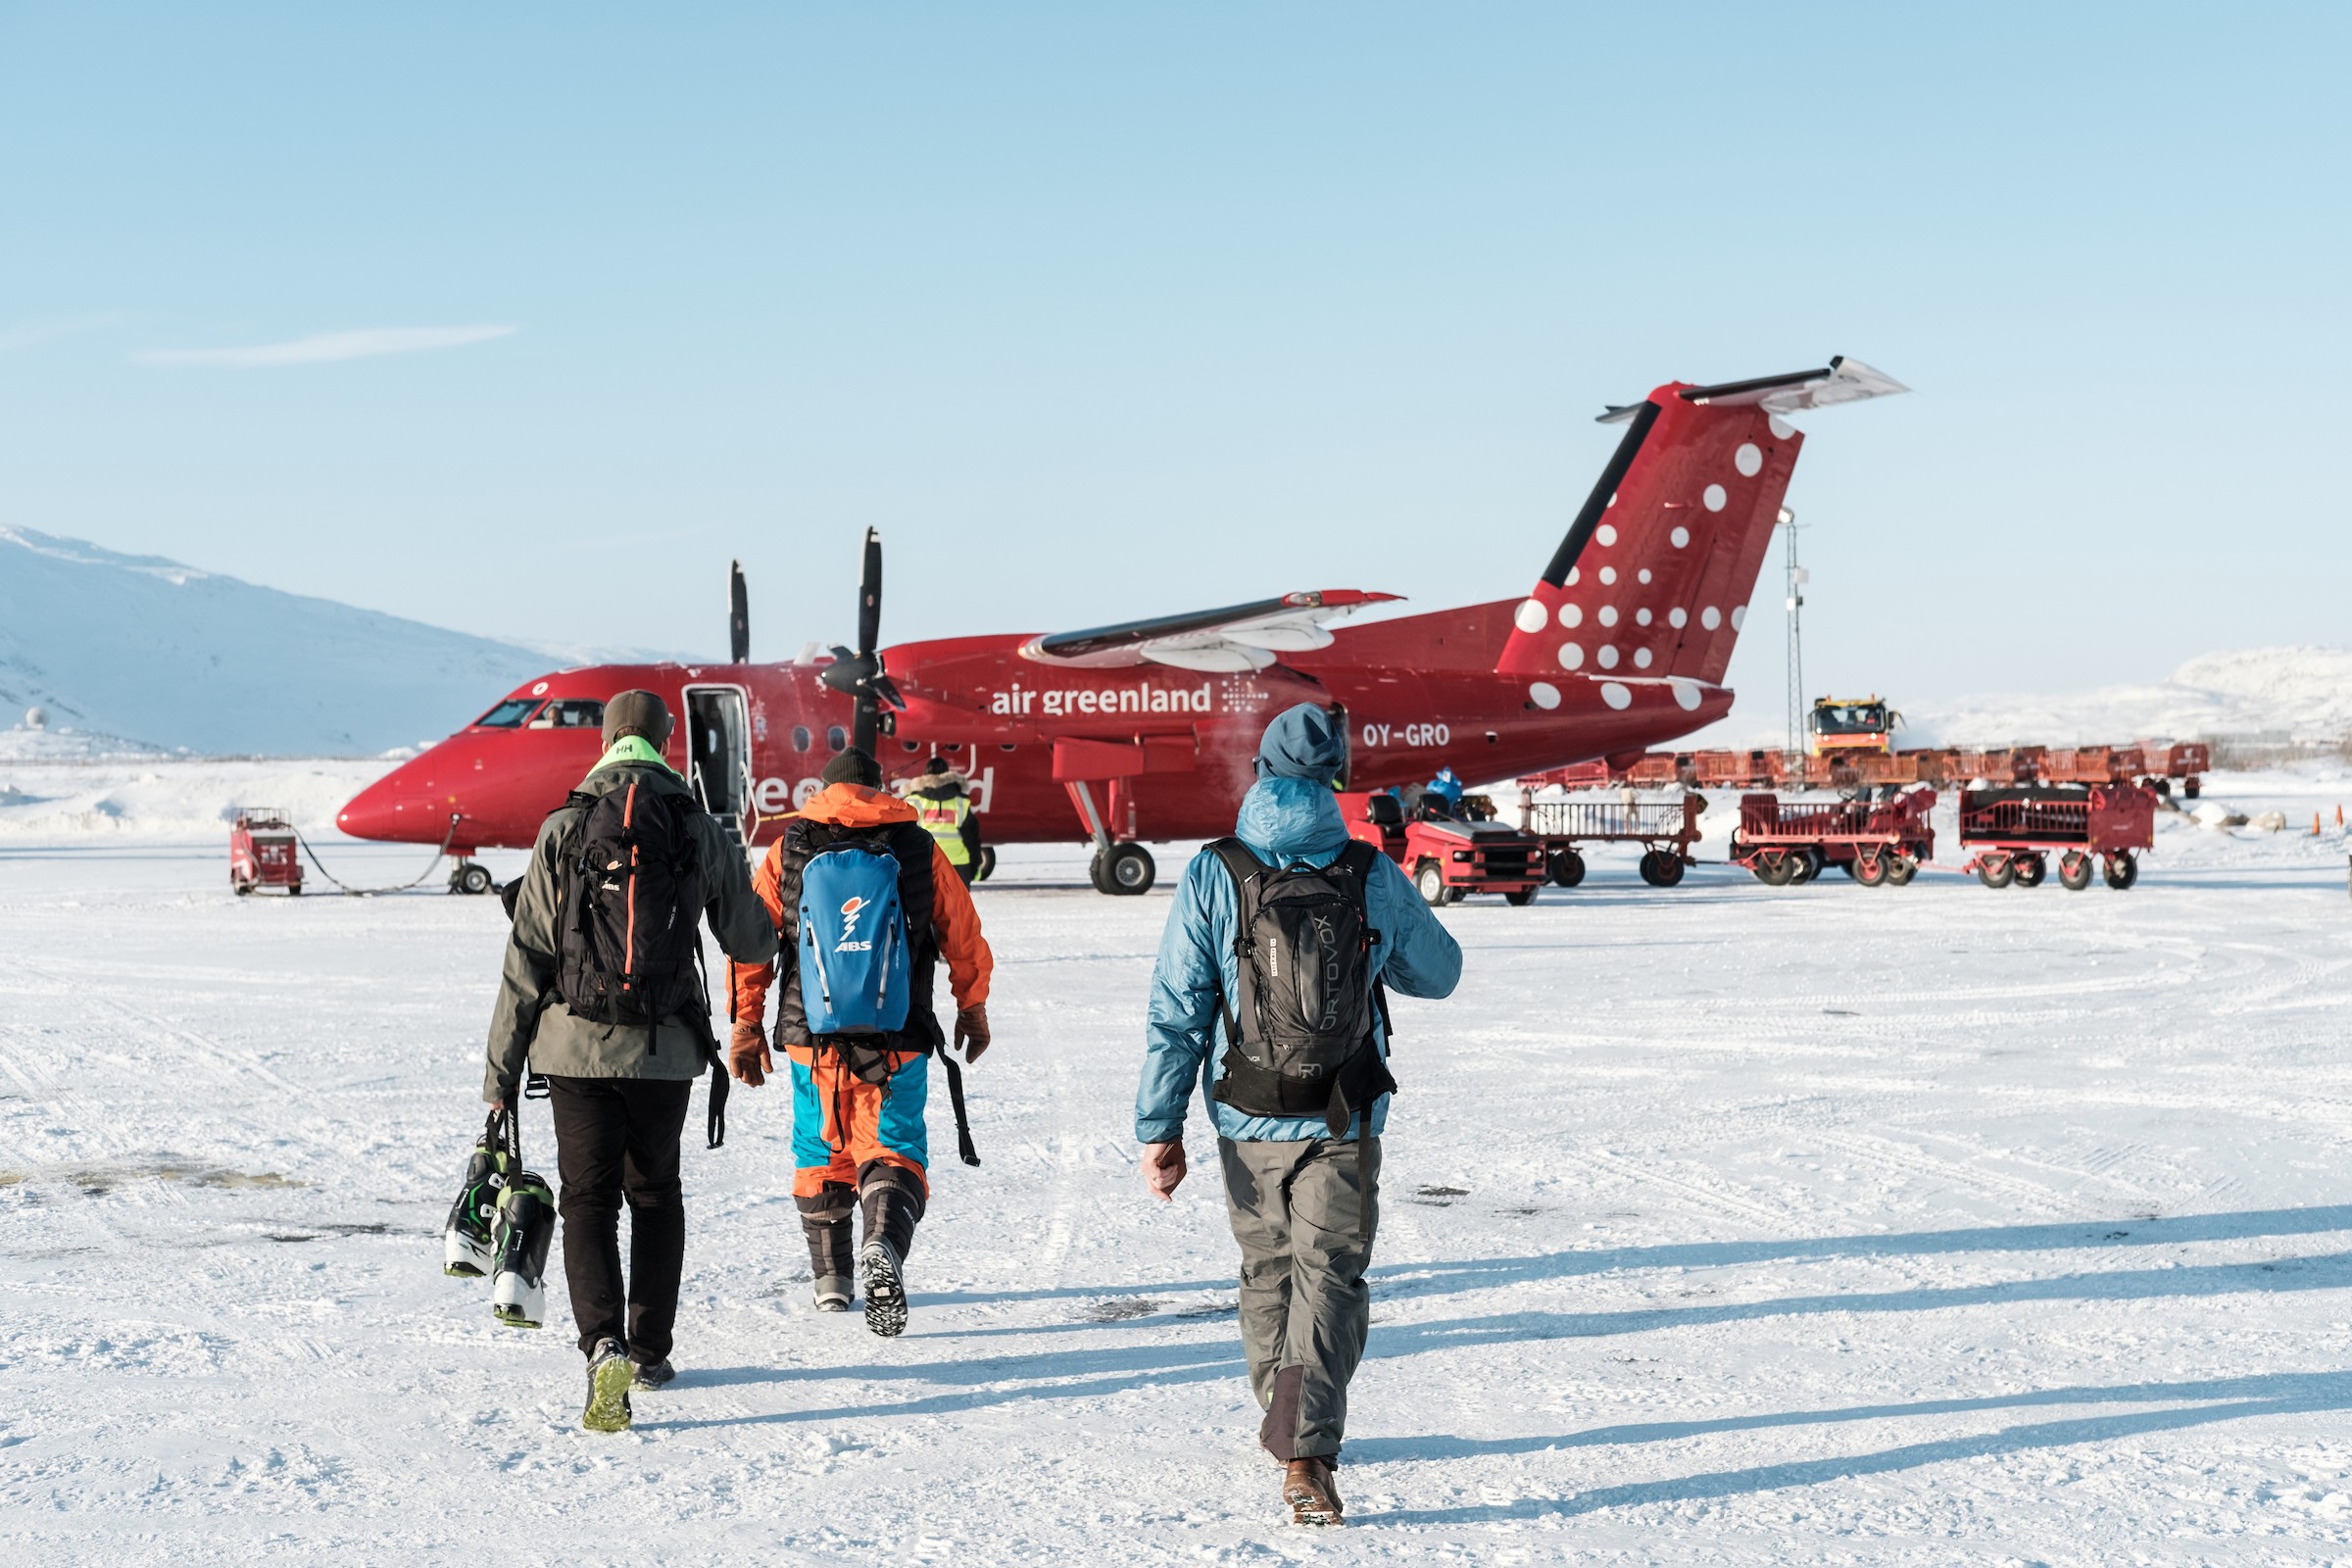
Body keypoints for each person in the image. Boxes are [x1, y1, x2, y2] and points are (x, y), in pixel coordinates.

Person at [1136, 704, 1462, 1527]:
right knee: (1332, 1277)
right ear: (1335, 780)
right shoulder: (1366, 868)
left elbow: (1178, 1009)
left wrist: (1159, 1130)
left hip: (1248, 1116)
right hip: (1346, 1115)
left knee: (1268, 1274)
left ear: (1260, 771)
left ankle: (1294, 1432)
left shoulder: (1217, 869)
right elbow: (1441, 973)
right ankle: (1306, 1443)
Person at [484, 690, 777, 1434]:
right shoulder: (695, 826)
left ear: (609, 742)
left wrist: (499, 1079)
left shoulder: (564, 827)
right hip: (665, 1051)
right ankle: (647, 1350)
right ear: (664, 742)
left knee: (587, 1200)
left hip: (572, 1048)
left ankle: (602, 1343)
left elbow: (526, 962)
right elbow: (751, 942)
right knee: (654, 1198)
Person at [730, 746, 994, 1338]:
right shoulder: (917, 846)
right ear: (881, 789)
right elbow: (963, 932)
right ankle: (883, 1244)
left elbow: (751, 943)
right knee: (892, 1148)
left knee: (821, 1150)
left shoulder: (788, 847)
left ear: (825, 789)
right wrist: (971, 1008)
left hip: (811, 1038)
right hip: (898, 1036)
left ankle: (831, 1283)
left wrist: (747, 1024)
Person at [909, 756, 984, 885]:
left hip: (925, 862)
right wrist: (975, 864)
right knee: (958, 905)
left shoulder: (913, 801)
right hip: (959, 864)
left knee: (928, 905)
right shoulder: (961, 802)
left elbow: (904, 836)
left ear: (925, 774)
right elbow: (971, 837)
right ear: (948, 774)